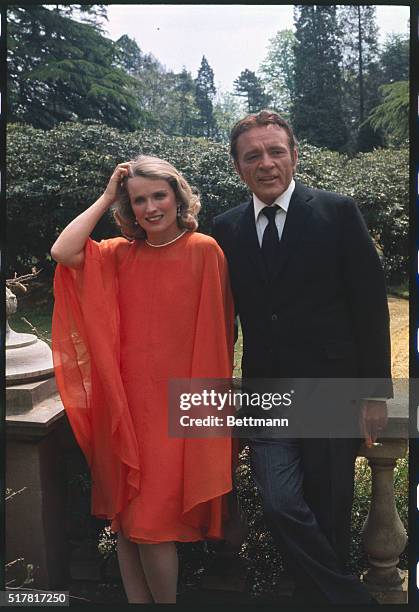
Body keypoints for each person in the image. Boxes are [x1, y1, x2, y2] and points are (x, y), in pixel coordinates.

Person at [212, 110, 392, 604]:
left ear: (295, 155)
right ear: (237, 165)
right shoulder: (225, 229)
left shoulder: (337, 212)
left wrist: (375, 393)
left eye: (275, 151)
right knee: (279, 503)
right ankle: (352, 601)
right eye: (252, 155)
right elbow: (217, 316)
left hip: (333, 388)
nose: (265, 163)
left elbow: (369, 305)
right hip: (265, 392)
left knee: (329, 509)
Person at [51, 155, 235, 603]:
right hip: (124, 407)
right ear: (128, 208)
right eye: (138, 201)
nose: (150, 208)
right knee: (128, 526)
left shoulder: (204, 250)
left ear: (177, 196)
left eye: (159, 195)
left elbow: (217, 337)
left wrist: (202, 413)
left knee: (152, 526)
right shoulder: (118, 254)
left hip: (173, 410)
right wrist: (107, 195)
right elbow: (63, 251)